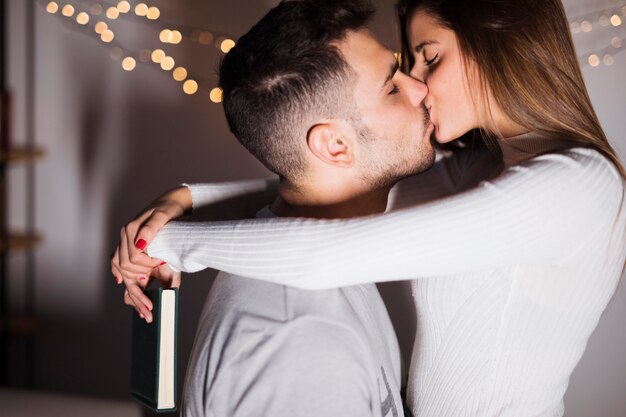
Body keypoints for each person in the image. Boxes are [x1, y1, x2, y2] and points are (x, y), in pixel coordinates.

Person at [112, 0, 626, 416]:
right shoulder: (485, 167)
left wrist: (172, 242)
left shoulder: (578, 185)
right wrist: (187, 199)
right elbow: (332, 193)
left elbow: (326, 249)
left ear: (495, 44)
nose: (419, 85)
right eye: (404, 70)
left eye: (429, 56)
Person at [125, 1, 441, 415]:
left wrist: (187, 200)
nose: (421, 87)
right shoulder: (301, 340)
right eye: (393, 88)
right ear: (335, 146)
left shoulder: (328, 256)